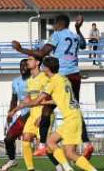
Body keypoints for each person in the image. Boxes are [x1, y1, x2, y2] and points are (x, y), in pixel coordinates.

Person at [10, 57, 104, 171]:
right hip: (72, 117)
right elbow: (56, 100)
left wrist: (23, 106)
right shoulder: (63, 78)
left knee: (69, 152)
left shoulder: (53, 81)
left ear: (46, 68)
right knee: (51, 142)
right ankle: (68, 169)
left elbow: (37, 101)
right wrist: (40, 102)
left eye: (43, 66)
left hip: (72, 119)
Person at [12, 14, 94, 160]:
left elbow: (42, 53)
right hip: (75, 75)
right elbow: (83, 45)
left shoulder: (57, 35)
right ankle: (87, 143)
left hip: (62, 76)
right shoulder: (74, 35)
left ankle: (43, 145)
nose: (53, 27)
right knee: (74, 107)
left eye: (54, 25)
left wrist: (21, 50)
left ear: (57, 24)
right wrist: (78, 28)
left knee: (46, 109)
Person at [14, 55, 61, 171]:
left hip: (44, 114)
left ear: (37, 62)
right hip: (32, 114)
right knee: (25, 139)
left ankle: (60, 165)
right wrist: (16, 108)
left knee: (47, 146)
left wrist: (43, 116)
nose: (27, 62)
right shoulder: (29, 80)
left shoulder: (44, 77)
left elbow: (50, 97)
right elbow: (29, 98)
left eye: (30, 60)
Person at [0, 59, 30, 171]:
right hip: (24, 115)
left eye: (25, 66)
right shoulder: (15, 81)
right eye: (21, 66)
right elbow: (14, 99)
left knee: (46, 143)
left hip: (36, 114)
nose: (22, 68)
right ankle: (12, 160)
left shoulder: (34, 80)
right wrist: (10, 113)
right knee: (8, 138)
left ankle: (61, 165)